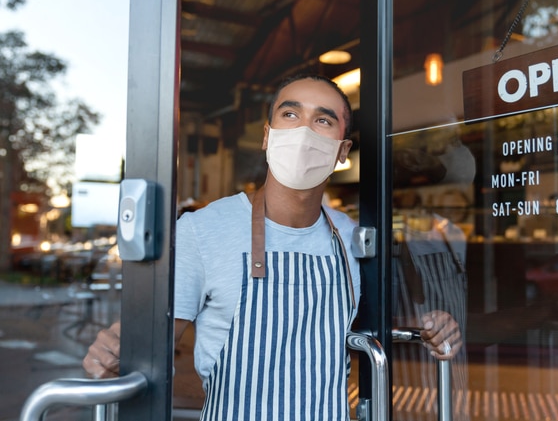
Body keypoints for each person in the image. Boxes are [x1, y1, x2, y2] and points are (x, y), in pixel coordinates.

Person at [83, 74, 461, 420]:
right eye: (290, 114)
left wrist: (436, 327)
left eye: (323, 120)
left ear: (342, 150)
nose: (303, 131)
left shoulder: (352, 237)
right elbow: (155, 343)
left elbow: (378, 325)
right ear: (267, 136)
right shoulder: (203, 230)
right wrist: (116, 351)